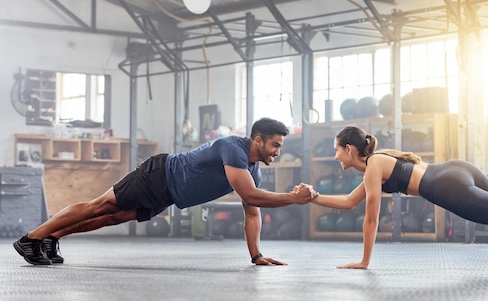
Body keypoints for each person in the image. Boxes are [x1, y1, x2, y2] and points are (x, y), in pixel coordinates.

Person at [13, 118, 316, 266]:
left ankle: (52, 238)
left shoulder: (254, 170)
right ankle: (32, 238)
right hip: (158, 175)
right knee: (99, 207)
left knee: (112, 218)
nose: (278, 151)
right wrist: (292, 198)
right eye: (275, 144)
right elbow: (251, 198)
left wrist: (257, 255)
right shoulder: (233, 147)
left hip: (168, 195)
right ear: (258, 140)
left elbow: (253, 212)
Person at [304, 125, 488, 270]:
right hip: (456, 169)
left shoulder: (372, 166)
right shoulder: (379, 162)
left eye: (336, 149)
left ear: (349, 150)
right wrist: (312, 197)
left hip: (449, 188)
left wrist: (364, 261)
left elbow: (370, 219)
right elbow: (348, 202)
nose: (334, 156)